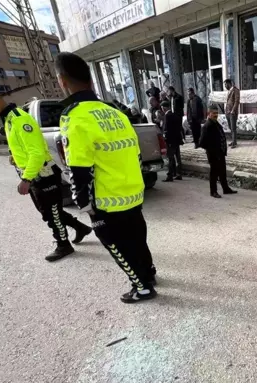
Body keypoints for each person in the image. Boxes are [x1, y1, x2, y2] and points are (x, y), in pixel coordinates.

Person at [55, 52, 157, 303]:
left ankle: (142, 286)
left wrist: (85, 205)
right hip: (133, 191)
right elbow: (135, 154)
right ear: (90, 79)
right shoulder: (116, 113)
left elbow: (79, 169)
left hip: (108, 199)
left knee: (116, 244)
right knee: (138, 239)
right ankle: (149, 274)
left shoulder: (75, 118)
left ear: (62, 80)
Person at [0, 80, 92, 261]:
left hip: (44, 175)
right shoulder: (8, 120)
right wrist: (15, 159)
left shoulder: (20, 119)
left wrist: (26, 179)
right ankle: (81, 228)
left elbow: (37, 153)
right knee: (48, 211)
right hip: (36, 176)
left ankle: (64, 245)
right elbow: (25, 148)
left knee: (51, 214)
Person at [199, 105, 238, 198]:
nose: (216, 115)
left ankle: (225, 189)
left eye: (217, 113)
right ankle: (213, 191)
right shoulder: (207, 126)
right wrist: (211, 150)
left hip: (220, 153)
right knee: (214, 174)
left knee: (222, 172)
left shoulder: (216, 123)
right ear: (209, 113)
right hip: (213, 154)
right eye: (214, 113)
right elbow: (202, 143)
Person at [161, 100, 183, 182]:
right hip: (177, 140)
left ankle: (170, 175)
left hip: (170, 141)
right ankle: (179, 174)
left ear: (164, 108)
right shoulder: (175, 115)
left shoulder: (167, 116)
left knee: (170, 158)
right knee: (178, 158)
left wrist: (165, 139)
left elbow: (166, 130)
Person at [224, 79, 240, 148]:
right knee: (231, 127)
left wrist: (233, 110)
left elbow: (237, 101)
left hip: (232, 113)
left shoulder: (235, 90)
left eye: (225, 84)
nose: (225, 86)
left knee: (233, 128)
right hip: (228, 112)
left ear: (229, 84)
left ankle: (234, 143)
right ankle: (234, 141)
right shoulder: (229, 91)